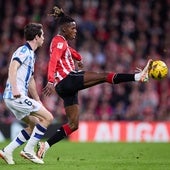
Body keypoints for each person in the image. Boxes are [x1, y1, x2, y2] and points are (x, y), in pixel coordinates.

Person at [36, 6, 152, 159]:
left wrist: (79, 58)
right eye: (73, 28)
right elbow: (53, 60)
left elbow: (71, 52)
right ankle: (138, 77)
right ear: (64, 29)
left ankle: (46, 145)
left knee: (73, 125)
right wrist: (50, 81)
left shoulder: (61, 42)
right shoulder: (58, 42)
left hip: (65, 87)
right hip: (67, 80)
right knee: (103, 76)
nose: (75, 31)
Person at [0, 23, 54, 164]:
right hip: (15, 95)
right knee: (48, 118)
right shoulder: (23, 51)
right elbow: (12, 67)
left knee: (34, 124)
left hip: (13, 97)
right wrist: (15, 89)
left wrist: (37, 99)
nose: (43, 38)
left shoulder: (31, 54)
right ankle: (28, 150)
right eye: (42, 35)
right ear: (36, 37)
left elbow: (30, 80)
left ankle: (7, 151)